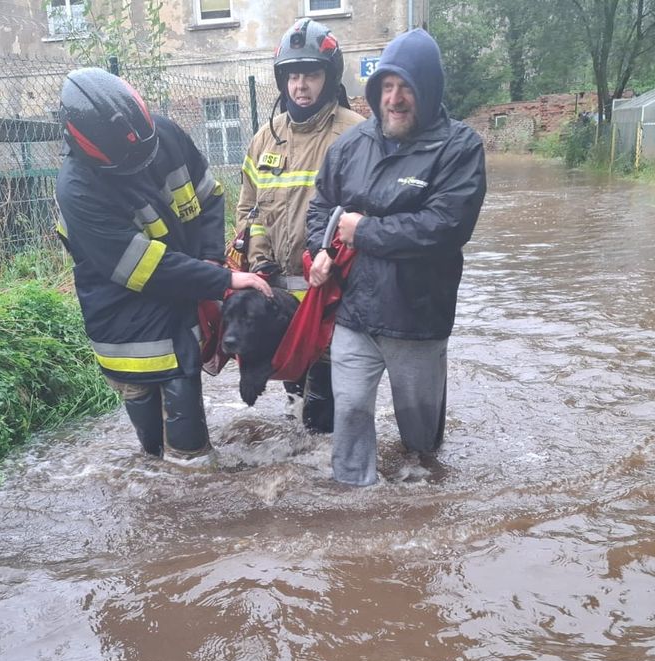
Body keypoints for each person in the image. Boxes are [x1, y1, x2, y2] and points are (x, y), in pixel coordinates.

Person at [54, 68, 272, 464]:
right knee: (153, 457)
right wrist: (222, 279)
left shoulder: (162, 137)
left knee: (189, 458)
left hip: (179, 302)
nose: (142, 164)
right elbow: (145, 267)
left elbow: (209, 198)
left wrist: (209, 259)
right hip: (125, 322)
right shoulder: (78, 189)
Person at [306, 29, 486, 486]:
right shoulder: (351, 144)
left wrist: (364, 231)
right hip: (355, 314)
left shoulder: (460, 148)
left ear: (428, 91)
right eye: (386, 86)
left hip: (418, 319)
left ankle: (423, 513)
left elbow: (444, 228)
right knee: (348, 416)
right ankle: (354, 514)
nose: (395, 98)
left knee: (421, 446)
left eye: (406, 87)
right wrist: (320, 250)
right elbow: (322, 205)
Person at [235, 18, 363, 434]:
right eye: (292, 75)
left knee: (322, 407)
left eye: (310, 74)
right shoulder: (264, 139)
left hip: (334, 292)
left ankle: (326, 475)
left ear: (328, 76)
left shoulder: (355, 133)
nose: (300, 85)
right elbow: (248, 210)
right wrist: (257, 262)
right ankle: (301, 468)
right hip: (281, 292)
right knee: (294, 392)